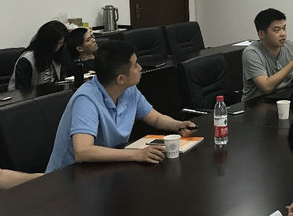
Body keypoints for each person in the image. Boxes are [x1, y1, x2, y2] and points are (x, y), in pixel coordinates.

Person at [46, 40, 197, 172]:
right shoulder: (86, 100)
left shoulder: (129, 89)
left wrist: (177, 125)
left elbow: (155, 118)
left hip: (106, 168)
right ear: (120, 79)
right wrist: (136, 154)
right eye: (135, 65)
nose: (140, 68)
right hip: (69, 176)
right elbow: (83, 152)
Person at [241, 8, 293, 101]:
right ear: (261, 34)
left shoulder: (292, 46)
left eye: (284, 28)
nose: (283, 34)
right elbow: (267, 87)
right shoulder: (251, 53)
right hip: (257, 103)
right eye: (277, 30)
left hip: (285, 98)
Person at [8, 20, 69, 91]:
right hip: (29, 96)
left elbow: (61, 80)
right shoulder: (27, 60)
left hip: (51, 94)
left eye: (61, 43)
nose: (60, 46)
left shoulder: (56, 55)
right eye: (58, 43)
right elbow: (22, 91)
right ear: (48, 43)